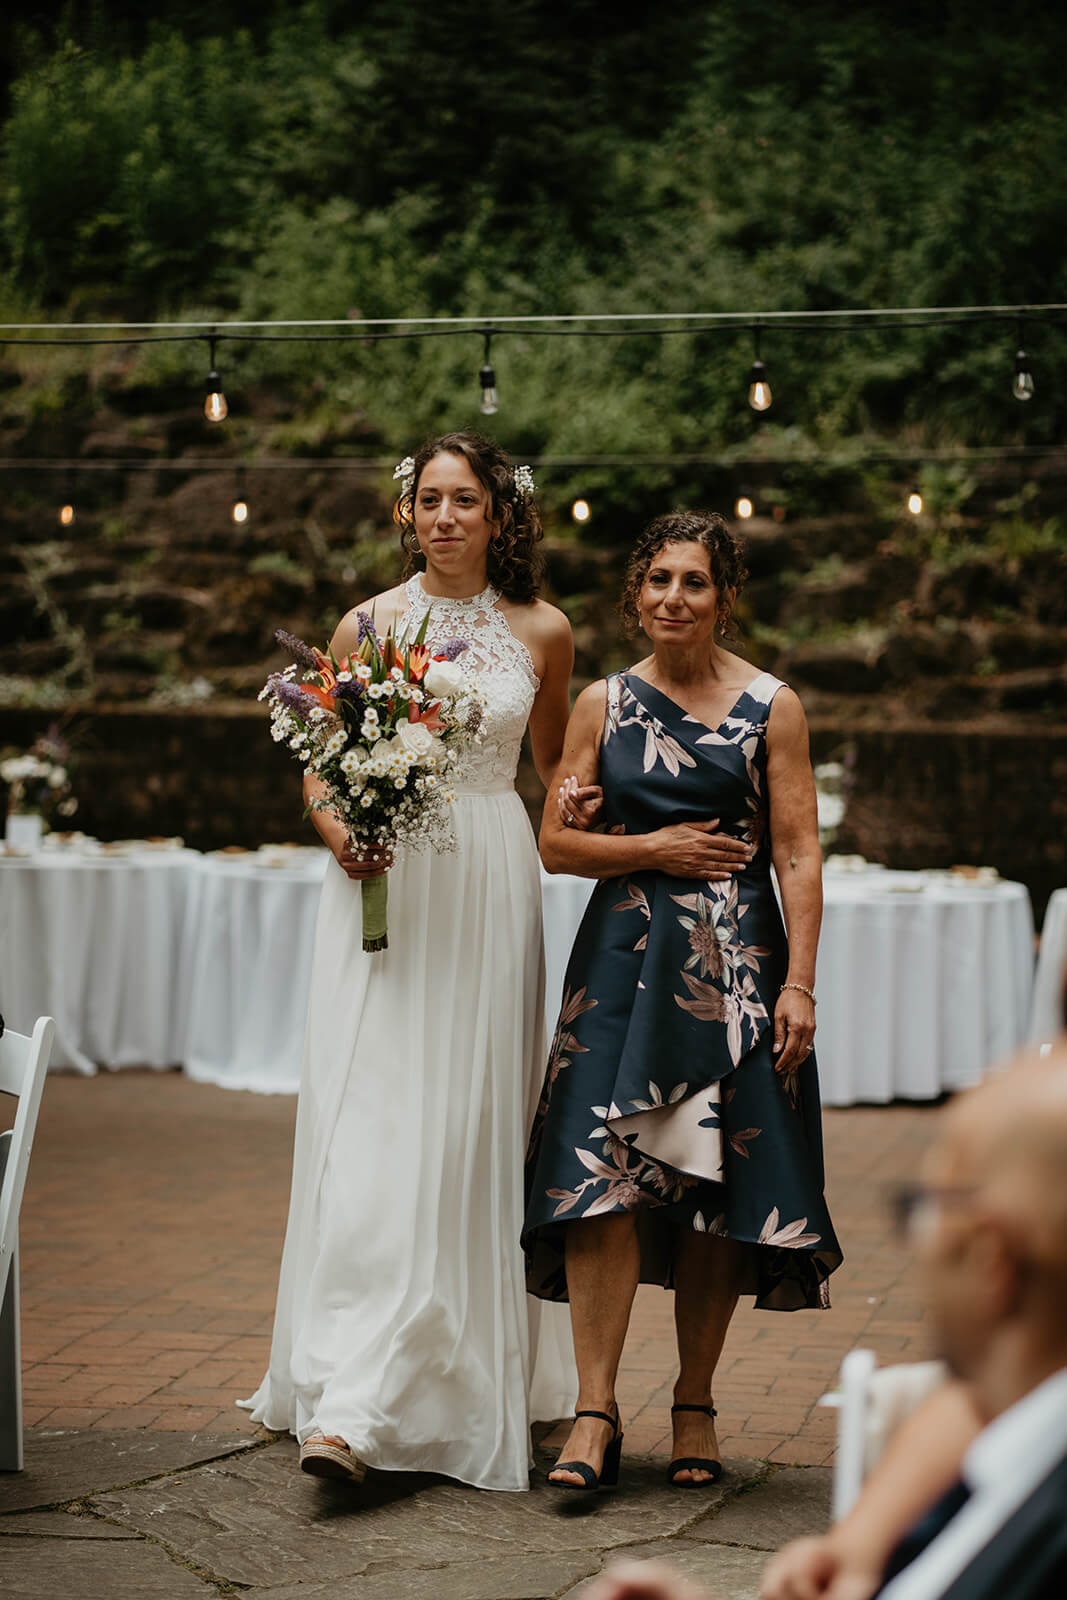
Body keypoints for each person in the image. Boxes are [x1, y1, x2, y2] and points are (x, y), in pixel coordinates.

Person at [241, 431, 578, 1490]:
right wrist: (340, 833)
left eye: (463, 500)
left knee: (467, 1125)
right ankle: (349, 1392)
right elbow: (321, 759)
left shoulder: (543, 630)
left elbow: (559, 772)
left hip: (486, 879)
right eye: (428, 499)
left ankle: (429, 1377)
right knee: (373, 1123)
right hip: (382, 888)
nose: (443, 517)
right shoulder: (366, 623)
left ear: (498, 515)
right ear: (407, 513)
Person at [523, 509, 842, 1492]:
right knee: (599, 1182)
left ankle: (694, 1402)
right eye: (657, 579)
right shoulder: (600, 705)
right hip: (619, 967)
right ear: (636, 594)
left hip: (736, 972)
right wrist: (649, 848)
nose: (672, 597)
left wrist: (798, 983)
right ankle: (592, 1409)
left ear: (723, 595)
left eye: (691, 581)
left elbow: (794, 849)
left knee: (713, 1186)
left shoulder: (769, 705)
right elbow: (554, 844)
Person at [582, 1041, 1067, 1600]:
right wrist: (857, 1549)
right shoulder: (1016, 1427)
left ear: (991, 1260)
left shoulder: (1033, 1546)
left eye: (920, 1208)